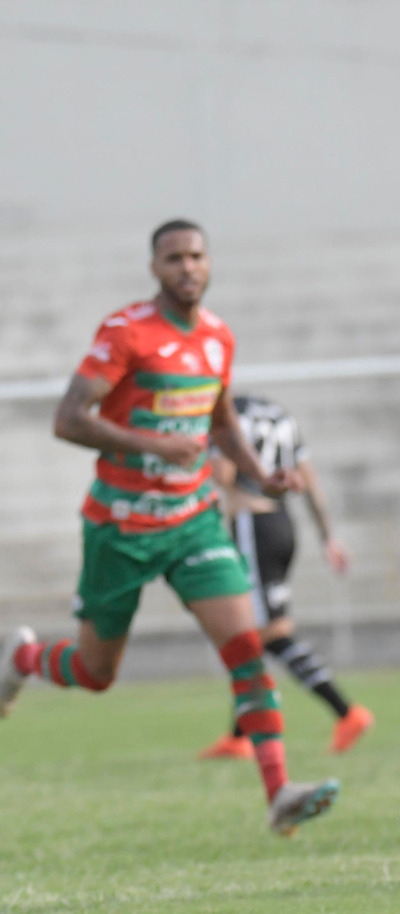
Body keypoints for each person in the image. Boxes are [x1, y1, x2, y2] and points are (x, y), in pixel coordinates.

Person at [0, 220, 340, 837]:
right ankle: (20, 658)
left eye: (197, 256)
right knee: (95, 673)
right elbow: (68, 419)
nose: (188, 267)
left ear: (209, 264)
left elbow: (220, 419)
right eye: (174, 258)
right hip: (121, 527)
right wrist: (149, 441)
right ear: (155, 268)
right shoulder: (126, 332)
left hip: (192, 523)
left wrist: (262, 473)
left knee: (246, 649)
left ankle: (279, 792)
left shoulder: (216, 338)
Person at [197, 392, 374, 760]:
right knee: (251, 633)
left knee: (270, 636)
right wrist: (329, 537)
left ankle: (346, 712)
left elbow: (223, 474)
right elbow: (307, 478)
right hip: (281, 524)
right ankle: (238, 735)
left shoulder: (226, 417)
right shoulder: (279, 415)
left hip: (251, 526)